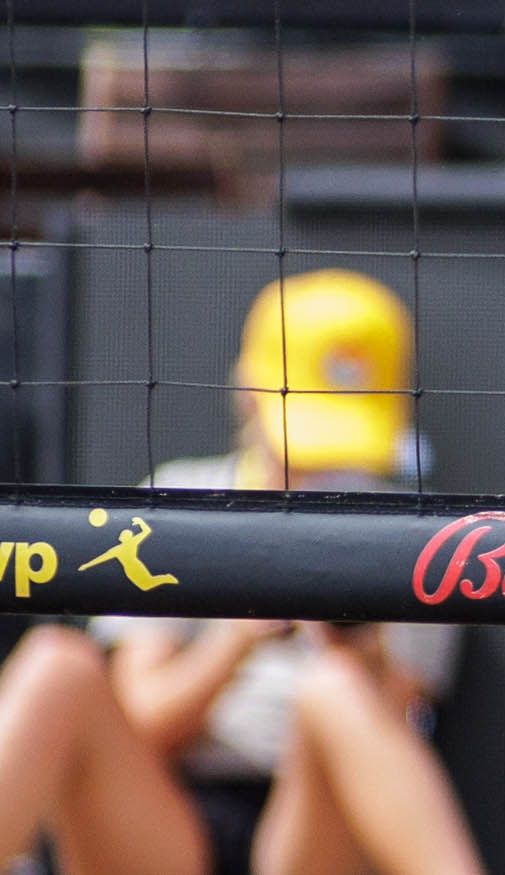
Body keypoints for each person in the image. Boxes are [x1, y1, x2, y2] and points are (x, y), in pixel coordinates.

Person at [0, 271, 480, 875]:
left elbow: (397, 736)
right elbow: (144, 721)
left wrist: (349, 639)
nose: (316, 467)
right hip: (165, 823)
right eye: (303, 438)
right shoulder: (178, 497)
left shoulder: (409, 535)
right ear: (249, 393)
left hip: (311, 831)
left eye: (337, 447)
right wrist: (238, 635)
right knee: (57, 662)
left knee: (333, 689)